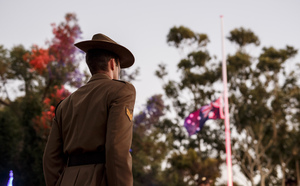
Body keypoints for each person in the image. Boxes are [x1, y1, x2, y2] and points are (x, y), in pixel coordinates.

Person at [43, 33, 136, 186]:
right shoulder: (121, 91)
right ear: (113, 64)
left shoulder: (65, 104)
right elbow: (117, 150)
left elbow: (50, 159)